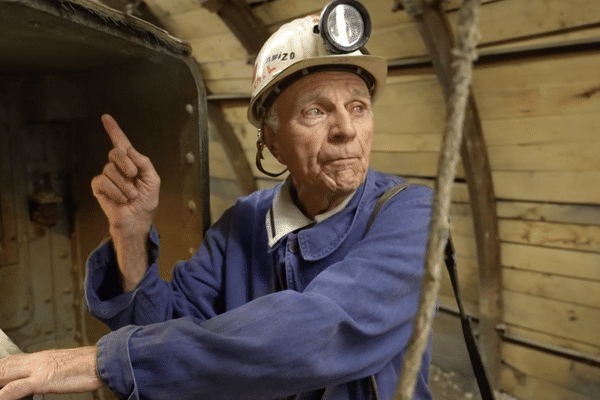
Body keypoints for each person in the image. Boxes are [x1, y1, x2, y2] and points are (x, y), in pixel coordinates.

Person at [0, 14, 433, 400]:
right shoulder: (243, 223)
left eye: (358, 107)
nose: (346, 130)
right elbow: (162, 325)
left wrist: (100, 361)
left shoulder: (411, 215)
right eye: (316, 110)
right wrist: (130, 233)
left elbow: (318, 329)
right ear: (273, 143)